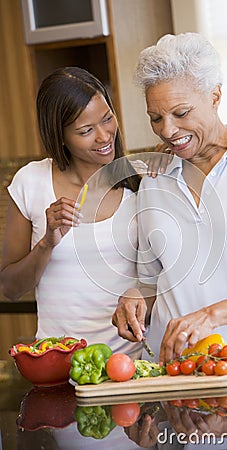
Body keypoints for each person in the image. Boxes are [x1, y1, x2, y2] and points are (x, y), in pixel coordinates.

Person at [112, 32, 227, 367]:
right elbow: (153, 278)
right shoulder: (155, 177)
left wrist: (211, 316)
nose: (167, 130)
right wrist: (136, 297)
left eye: (181, 113)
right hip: (177, 378)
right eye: (156, 117)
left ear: (215, 95)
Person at [0, 66, 142, 359]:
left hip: (131, 365)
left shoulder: (141, 186)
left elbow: (166, 278)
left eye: (107, 119)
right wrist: (47, 243)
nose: (104, 136)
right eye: (86, 131)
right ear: (60, 136)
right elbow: (10, 288)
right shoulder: (31, 182)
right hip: (58, 364)